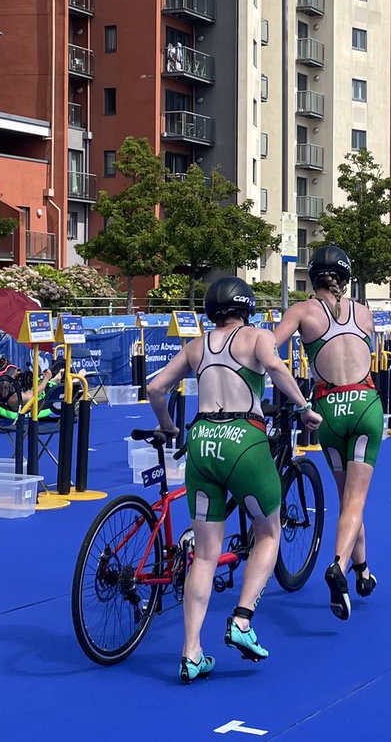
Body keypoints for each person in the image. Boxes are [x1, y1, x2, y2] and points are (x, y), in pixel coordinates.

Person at [146, 276, 321, 684]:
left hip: (202, 441)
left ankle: (191, 652)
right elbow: (276, 368)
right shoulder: (258, 337)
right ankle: (241, 619)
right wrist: (304, 406)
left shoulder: (196, 346)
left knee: (205, 554)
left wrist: (169, 425)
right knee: (269, 533)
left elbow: (155, 387)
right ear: (246, 308)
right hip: (244, 440)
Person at [273, 245, 381, 622]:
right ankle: (338, 565)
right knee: (356, 500)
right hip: (365, 404)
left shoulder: (302, 311)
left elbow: (269, 350)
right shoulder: (364, 313)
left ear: (312, 276)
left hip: (327, 409)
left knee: (346, 498)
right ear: (346, 279)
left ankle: (362, 571)